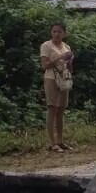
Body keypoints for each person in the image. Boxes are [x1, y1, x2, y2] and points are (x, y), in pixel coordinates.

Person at [39, 22, 74, 152]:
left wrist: (70, 61)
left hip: (64, 78)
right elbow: (44, 65)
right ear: (51, 33)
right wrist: (60, 57)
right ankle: (52, 142)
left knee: (61, 110)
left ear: (64, 33)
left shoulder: (67, 46)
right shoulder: (46, 46)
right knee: (52, 108)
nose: (57, 34)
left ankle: (60, 141)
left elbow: (70, 66)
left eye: (59, 31)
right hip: (51, 78)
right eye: (54, 31)